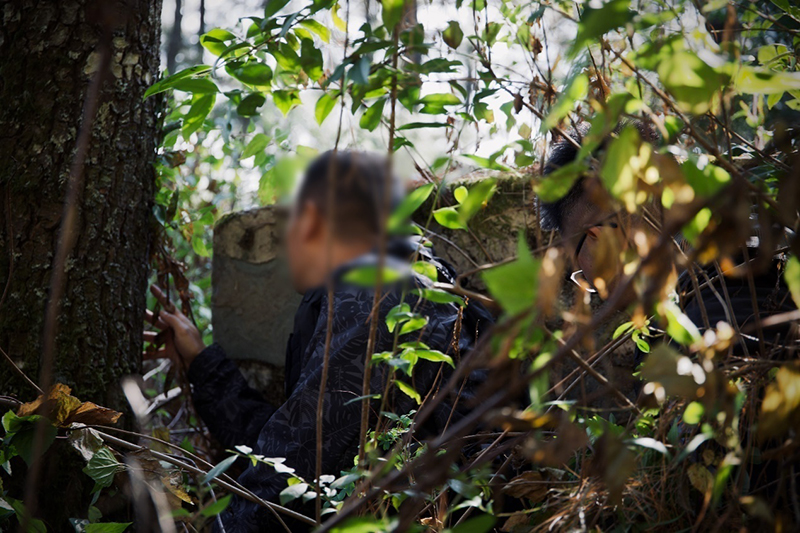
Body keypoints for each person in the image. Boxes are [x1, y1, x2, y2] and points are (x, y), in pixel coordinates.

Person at [144, 150, 489, 532]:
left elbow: (296, 471)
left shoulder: (375, 291)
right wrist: (202, 364)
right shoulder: (397, 284)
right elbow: (290, 447)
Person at [539, 121, 796, 359]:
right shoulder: (752, 248)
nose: (594, 287)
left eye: (583, 276)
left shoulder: (719, 300)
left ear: (598, 235)